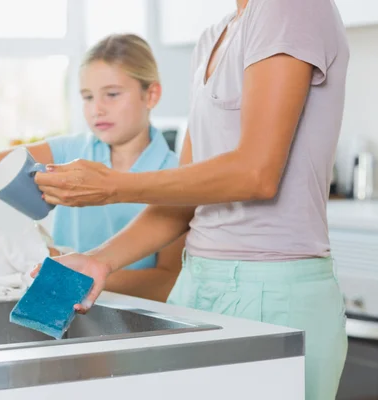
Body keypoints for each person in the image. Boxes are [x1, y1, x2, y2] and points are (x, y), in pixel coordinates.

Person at [33, 0, 349, 398]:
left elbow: (257, 174)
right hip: (197, 284)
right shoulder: (213, 37)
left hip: (270, 289)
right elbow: (186, 198)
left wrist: (116, 185)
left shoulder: (289, 7)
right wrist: (100, 259)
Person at [0, 34, 186, 302]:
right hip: (62, 301)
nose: (97, 108)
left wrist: (79, 272)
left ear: (151, 95)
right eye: (87, 97)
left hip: (133, 313)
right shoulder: (72, 151)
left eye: (112, 94)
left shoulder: (175, 177)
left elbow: (165, 281)